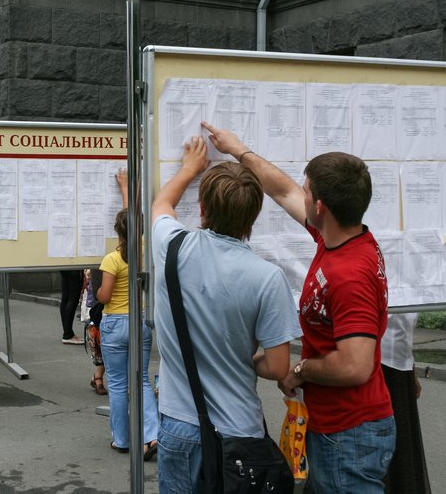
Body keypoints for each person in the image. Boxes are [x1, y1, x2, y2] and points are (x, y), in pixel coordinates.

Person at [205, 121, 395, 493]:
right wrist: (238, 150)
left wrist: (300, 369)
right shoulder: (339, 235)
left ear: (320, 205)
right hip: (339, 428)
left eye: (308, 190)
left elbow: (355, 365)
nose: (301, 193)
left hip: (350, 433)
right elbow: (283, 190)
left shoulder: (350, 274)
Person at [151, 136, 301, 490]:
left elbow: (161, 204)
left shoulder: (172, 247)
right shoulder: (267, 278)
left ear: (202, 208)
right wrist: (239, 358)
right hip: (241, 430)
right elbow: (279, 367)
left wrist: (189, 169)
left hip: (180, 422)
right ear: (254, 216)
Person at [98, 174, 159, 458]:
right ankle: (152, 436)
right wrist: (128, 189)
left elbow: (105, 296)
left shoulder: (112, 259)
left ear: (117, 230)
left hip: (114, 324)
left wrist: (95, 289)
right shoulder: (146, 252)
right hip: (141, 321)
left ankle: (121, 439)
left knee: (119, 385)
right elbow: (132, 225)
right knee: (142, 381)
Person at [381, 313, 431, 494]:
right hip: (380, 367)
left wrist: (412, 373)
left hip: (401, 370)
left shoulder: (410, 289)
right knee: (383, 442)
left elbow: (405, 335)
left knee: (403, 442)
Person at [59, 270, 84, 344]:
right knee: (73, 298)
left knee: (65, 298)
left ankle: (68, 333)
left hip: (65, 265)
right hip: (74, 266)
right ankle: (68, 334)